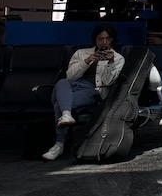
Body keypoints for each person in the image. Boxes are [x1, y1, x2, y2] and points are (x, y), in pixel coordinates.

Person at [42, 23, 125, 160]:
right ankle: (66, 117)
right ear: (95, 39)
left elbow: (108, 82)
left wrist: (110, 63)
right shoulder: (81, 53)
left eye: (108, 39)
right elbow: (70, 76)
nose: (104, 42)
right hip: (72, 86)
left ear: (112, 40)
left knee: (60, 105)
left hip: (93, 91)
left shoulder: (118, 58)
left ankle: (59, 143)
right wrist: (86, 61)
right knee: (62, 82)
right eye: (100, 39)